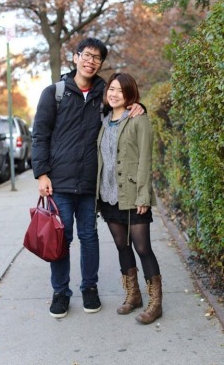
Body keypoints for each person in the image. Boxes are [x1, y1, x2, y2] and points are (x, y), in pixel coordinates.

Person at [31, 38, 144, 319]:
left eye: (97, 58)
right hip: (59, 181)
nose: (91, 61)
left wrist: (139, 107)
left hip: (91, 182)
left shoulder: (103, 94)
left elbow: (122, 107)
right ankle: (60, 292)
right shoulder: (54, 92)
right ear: (76, 57)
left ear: (101, 63)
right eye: (87, 55)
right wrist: (41, 173)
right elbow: (40, 135)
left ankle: (89, 288)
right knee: (62, 236)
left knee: (89, 236)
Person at [96, 73, 162, 324]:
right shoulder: (102, 121)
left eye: (120, 91)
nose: (114, 94)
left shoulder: (138, 119)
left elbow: (146, 159)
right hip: (109, 196)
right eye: (111, 89)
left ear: (129, 95)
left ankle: (156, 302)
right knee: (122, 245)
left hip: (133, 195)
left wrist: (144, 195)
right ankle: (133, 295)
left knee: (142, 247)